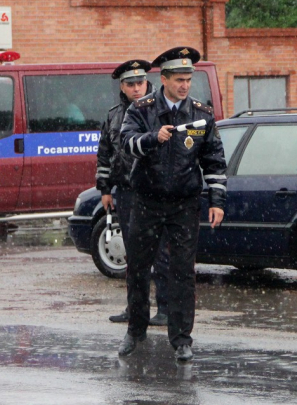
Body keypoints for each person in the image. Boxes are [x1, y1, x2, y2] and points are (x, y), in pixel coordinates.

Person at [118, 46, 227, 362]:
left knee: (182, 272)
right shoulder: (141, 109)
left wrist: (217, 200)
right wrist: (152, 138)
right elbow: (126, 144)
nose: (184, 85)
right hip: (147, 200)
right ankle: (135, 330)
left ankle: (181, 339)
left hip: (183, 203)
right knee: (139, 268)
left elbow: (214, 159)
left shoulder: (201, 114)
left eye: (188, 79)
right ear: (163, 79)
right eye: (179, 79)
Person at [96, 59, 170, 327]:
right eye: (131, 84)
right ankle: (135, 307)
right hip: (126, 192)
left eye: (140, 83)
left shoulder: (159, 110)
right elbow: (105, 154)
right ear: (122, 86)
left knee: (160, 252)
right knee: (134, 255)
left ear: (147, 83)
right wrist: (105, 188)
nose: (137, 88)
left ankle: (165, 308)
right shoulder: (114, 115)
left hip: (154, 192)